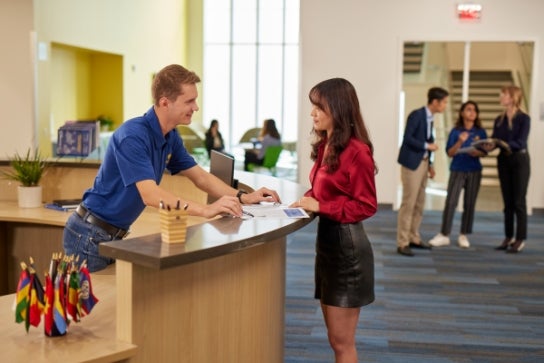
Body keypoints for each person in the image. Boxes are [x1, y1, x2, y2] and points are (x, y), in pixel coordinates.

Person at [63, 64, 281, 272]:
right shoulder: (132, 136)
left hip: (111, 235)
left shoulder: (170, 136)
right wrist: (205, 210)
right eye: (190, 101)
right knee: (91, 309)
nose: (195, 107)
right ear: (165, 102)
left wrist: (244, 197)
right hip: (88, 234)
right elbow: (150, 195)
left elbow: (201, 178)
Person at [292, 78, 377, 363]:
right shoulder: (328, 144)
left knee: (343, 343)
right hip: (327, 246)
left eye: (319, 107)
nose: (313, 113)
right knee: (334, 339)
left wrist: (321, 205)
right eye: (313, 107)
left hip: (347, 251)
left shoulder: (358, 152)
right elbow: (321, 190)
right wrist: (307, 201)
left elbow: (366, 205)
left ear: (338, 109)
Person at [397, 87, 449, 256]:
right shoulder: (416, 115)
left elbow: (429, 139)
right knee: (409, 204)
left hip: (424, 163)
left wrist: (431, 165)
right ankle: (402, 242)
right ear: (435, 102)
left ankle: (414, 237)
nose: (445, 106)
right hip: (412, 164)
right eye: (444, 102)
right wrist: (427, 146)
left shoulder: (431, 118)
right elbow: (408, 139)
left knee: (419, 203)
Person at [428, 101, 488, 249]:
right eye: (468, 109)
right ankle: (444, 234)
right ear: (462, 113)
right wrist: (460, 142)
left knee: (469, 203)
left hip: (474, 170)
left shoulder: (480, 132)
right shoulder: (456, 132)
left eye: (474, 110)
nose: (472, 112)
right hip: (457, 169)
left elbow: (485, 152)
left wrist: (478, 152)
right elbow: (449, 152)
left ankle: (463, 234)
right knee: (451, 202)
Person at [491, 85, 531, 253]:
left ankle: (520, 238)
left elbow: (521, 142)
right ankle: (508, 236)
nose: (501, 96)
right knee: (507, 202)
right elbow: (495, 140)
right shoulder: (498, 120)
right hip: (504, 161)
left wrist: (505, 144)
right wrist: (487, 145)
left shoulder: (524, 118)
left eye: (504, 94)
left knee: (519, 202)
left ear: (513, 97)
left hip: (519, 160)